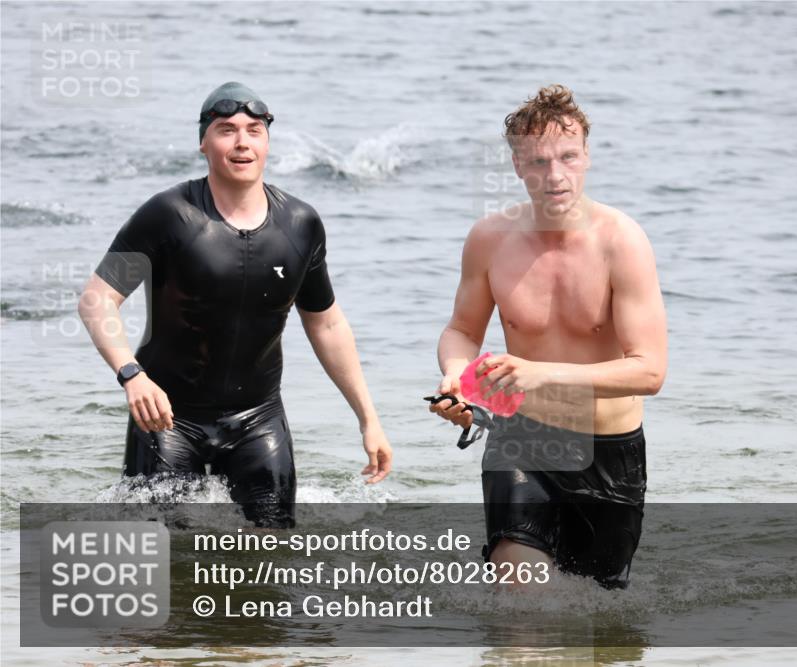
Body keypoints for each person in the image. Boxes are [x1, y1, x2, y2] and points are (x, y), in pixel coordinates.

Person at [78, 82, 392, 528]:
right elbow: (97, 300)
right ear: (203, 143)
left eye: (254, 130)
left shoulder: (301, 225)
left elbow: (326, 325)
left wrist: (369, 419)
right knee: (166, 559)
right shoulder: (167, 214)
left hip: (259, 420)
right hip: (168, 419)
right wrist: (132, 375)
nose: (242, 142)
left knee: (273, 557)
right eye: (226, 130)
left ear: (267, 142)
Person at [429, 84, 667, 589]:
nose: (554, 176)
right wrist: (456, 376)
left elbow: (649, 371)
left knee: (597, 621)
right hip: (524, 438)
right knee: (526, 602)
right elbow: (462, 331)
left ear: (586, 157)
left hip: (610, 450)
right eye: (537, 162)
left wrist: (537, 373)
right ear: (517, 165)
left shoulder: (622, 242)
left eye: (567, 157)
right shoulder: (489, 240)